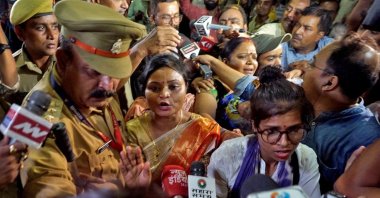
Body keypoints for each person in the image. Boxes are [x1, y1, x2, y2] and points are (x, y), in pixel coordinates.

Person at [21, 1, 146, 197]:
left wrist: (129, 189)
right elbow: (47, 188)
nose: (107, 86)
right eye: (94, 72)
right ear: (63, 61)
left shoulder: (93, 92)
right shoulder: (33, 116)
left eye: (114, 73)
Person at [207, 66, 320, 198]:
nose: (284, 143)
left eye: (294, 130)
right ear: (255, 125)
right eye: (272, 131)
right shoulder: (227, 155)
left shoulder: (305, 158)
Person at [301, 32, 380, 193]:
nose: (304, 68)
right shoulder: (298, 99)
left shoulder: (365, 143)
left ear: (329, 82)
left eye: (311, 64)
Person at [126, 54, 221, 182]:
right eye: (154, 88)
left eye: (173, 87)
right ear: (144, 92)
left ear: (186, 87)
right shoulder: (131, 130)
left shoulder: (204, 129)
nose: (164, 94)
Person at [192, 37, 257, 132]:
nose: (250, 62)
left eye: (254, 57)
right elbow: (204, 126)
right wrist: (229, 137)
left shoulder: (258, 85)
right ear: (225, 62)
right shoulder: (209, 86)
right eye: (242, 57)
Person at [7, 0, 59, 105]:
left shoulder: (70, 66)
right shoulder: (8, 71)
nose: (52, 35)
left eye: (54, 26)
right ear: (19, 32)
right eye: (41, 28)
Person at [281, 5, 333, 71]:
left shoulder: (328, 45)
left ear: (319, 36)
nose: (297, 32)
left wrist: (310, 66)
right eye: (297, 25)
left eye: (307, 28)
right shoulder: (280, 48)